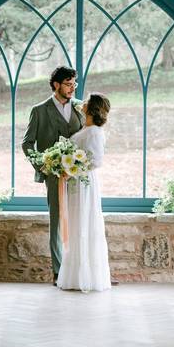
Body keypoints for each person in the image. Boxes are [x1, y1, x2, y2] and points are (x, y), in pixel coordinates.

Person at [22, 66, 83, 285]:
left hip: (78, 175)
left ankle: (79, 268)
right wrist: (41, 165)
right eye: (68, 84)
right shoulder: (39, 110)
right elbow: (27, 143)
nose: (72, 88)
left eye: (74, 83)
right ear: (56, 84)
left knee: (79, 219)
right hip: (53, 176)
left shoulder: (80, 108)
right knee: (57, 222)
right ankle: (58, 272)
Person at [57, 93, 112, 293]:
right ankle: (74, 276)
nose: (84, 102)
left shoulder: (95, 132)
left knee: (84, 223)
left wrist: (71, 169)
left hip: (84, 184)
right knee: (75, 224)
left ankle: (87, 277)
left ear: (93, 108)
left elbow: (96, 161)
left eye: (88, 100)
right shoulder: (86, 129)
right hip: (75, 183)